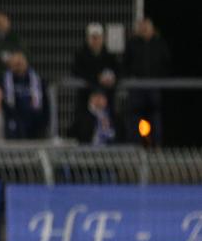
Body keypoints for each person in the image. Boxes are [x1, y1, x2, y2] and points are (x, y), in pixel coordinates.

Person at [123, 17, 170, 146]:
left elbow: (166, 63)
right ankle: (134, 148)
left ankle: (156, 147)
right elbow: (125, 64)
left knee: (155, 118)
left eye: (146, 27)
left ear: (152, 29)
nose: (144, 29)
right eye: (141, 27)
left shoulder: (159, 43)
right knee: (134, 118)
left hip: (153, 86)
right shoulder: (132, 43)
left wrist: (159, 78)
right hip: (137, 86)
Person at [72, 23, 119, 111]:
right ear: (88, 38)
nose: (95, 40)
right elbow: (76, 72)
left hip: (107, 101)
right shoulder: (80, 56)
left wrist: (112, 79)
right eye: (93, 37)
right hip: (85, 100)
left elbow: (118, 71)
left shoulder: (110, 57)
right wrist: (97, 78)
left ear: (102, 38)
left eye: (98, 37)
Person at [2, 51, 48, 139]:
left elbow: (45, 104)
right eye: (16, 63)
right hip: (14, 124)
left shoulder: (36, 79)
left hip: (34, 123)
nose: (19, 65)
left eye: (21, 62)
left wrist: (44, 122)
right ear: (11, 65)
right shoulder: (5, 81)